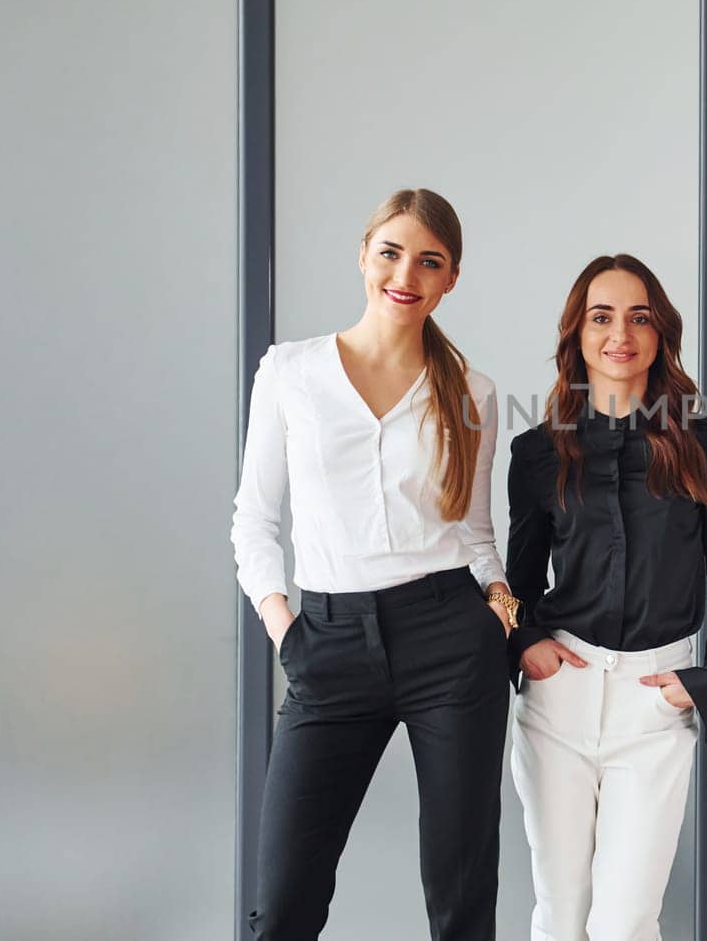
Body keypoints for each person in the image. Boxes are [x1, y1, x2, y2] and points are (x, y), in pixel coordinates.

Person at [231, 188, 512, 940]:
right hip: (327, 639)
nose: (406, 273)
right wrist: (286, 629)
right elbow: (253, 521)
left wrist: (499, 603)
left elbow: (477, 532)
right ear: (363, 255)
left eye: (430, 260)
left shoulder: (473, 393)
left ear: (450, 278)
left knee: (461, 900)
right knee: (284, 902)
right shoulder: (290, 373)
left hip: (451, 641)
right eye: (390, 252)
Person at [505, 254, 707, 941]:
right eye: (602, 316)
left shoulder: (702, 445)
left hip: (654, 701)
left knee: (624, 921)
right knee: (560, 916)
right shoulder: (536, 453)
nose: (621, 333)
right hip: (558, 701)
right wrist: (523, 639)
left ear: (660, 333)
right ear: (578, 336)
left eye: (639, 316)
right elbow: (514, 587)